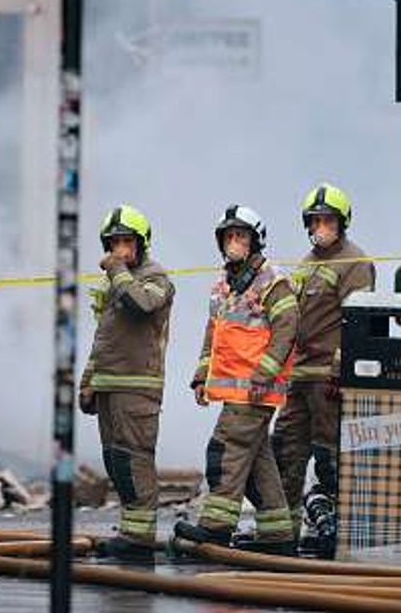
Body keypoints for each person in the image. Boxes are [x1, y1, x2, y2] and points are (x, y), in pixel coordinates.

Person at [174, 205, 298, 555]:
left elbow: (288, 327)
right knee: (258, 462)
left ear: (255, 240)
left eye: (240, 236)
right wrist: (202, 376)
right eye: (228, 236)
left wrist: (265, 372)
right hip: (235, 391)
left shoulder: (272, 280)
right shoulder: (223, 285)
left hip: (257, 389)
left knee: (224, 451)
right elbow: (214, 333)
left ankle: (216, 528)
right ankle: (279, 536)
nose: (233, 242)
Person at [273, 183, 374, 557]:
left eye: (327, 219)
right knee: (285, 449)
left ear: (342, 222)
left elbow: (357, 320)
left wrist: (338, 370)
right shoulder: (307, 263)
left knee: (330, 458)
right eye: (315, 220)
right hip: (300, 375)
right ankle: (282, 530)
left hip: (327, 379)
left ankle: (339, 531)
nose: (320, 226)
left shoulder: (355, 262)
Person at [79, 205, 175, 561]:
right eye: (114, 242)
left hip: (138, 388)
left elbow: (142, 305)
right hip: (109, 384)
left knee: (135, 460)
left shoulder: (155, 277)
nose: (120, 249)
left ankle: (141, 537)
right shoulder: (114, 281)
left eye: (126, 242)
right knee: (116, 461)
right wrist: (88, 381)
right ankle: (130, 531)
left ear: (141, 242)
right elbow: (103, 337)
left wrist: (117, 269)